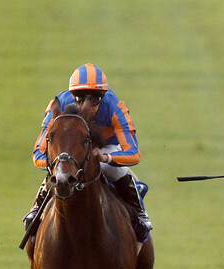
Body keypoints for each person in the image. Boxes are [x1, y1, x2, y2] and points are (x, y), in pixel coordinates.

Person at [28, 63, 151, 242]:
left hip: (105, 148)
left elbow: (133, 153)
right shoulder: (59, 105)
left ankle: (138, 210)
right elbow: (38, 154)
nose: (87, 105)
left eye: (95, 98)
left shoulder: (115, 107)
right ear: (72, 96)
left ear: (103, 96)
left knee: (109, 168)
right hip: (73, 151)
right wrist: (56, 164)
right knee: (61, 172)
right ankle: (36, 209)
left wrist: (106, 157)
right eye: (79, 98)